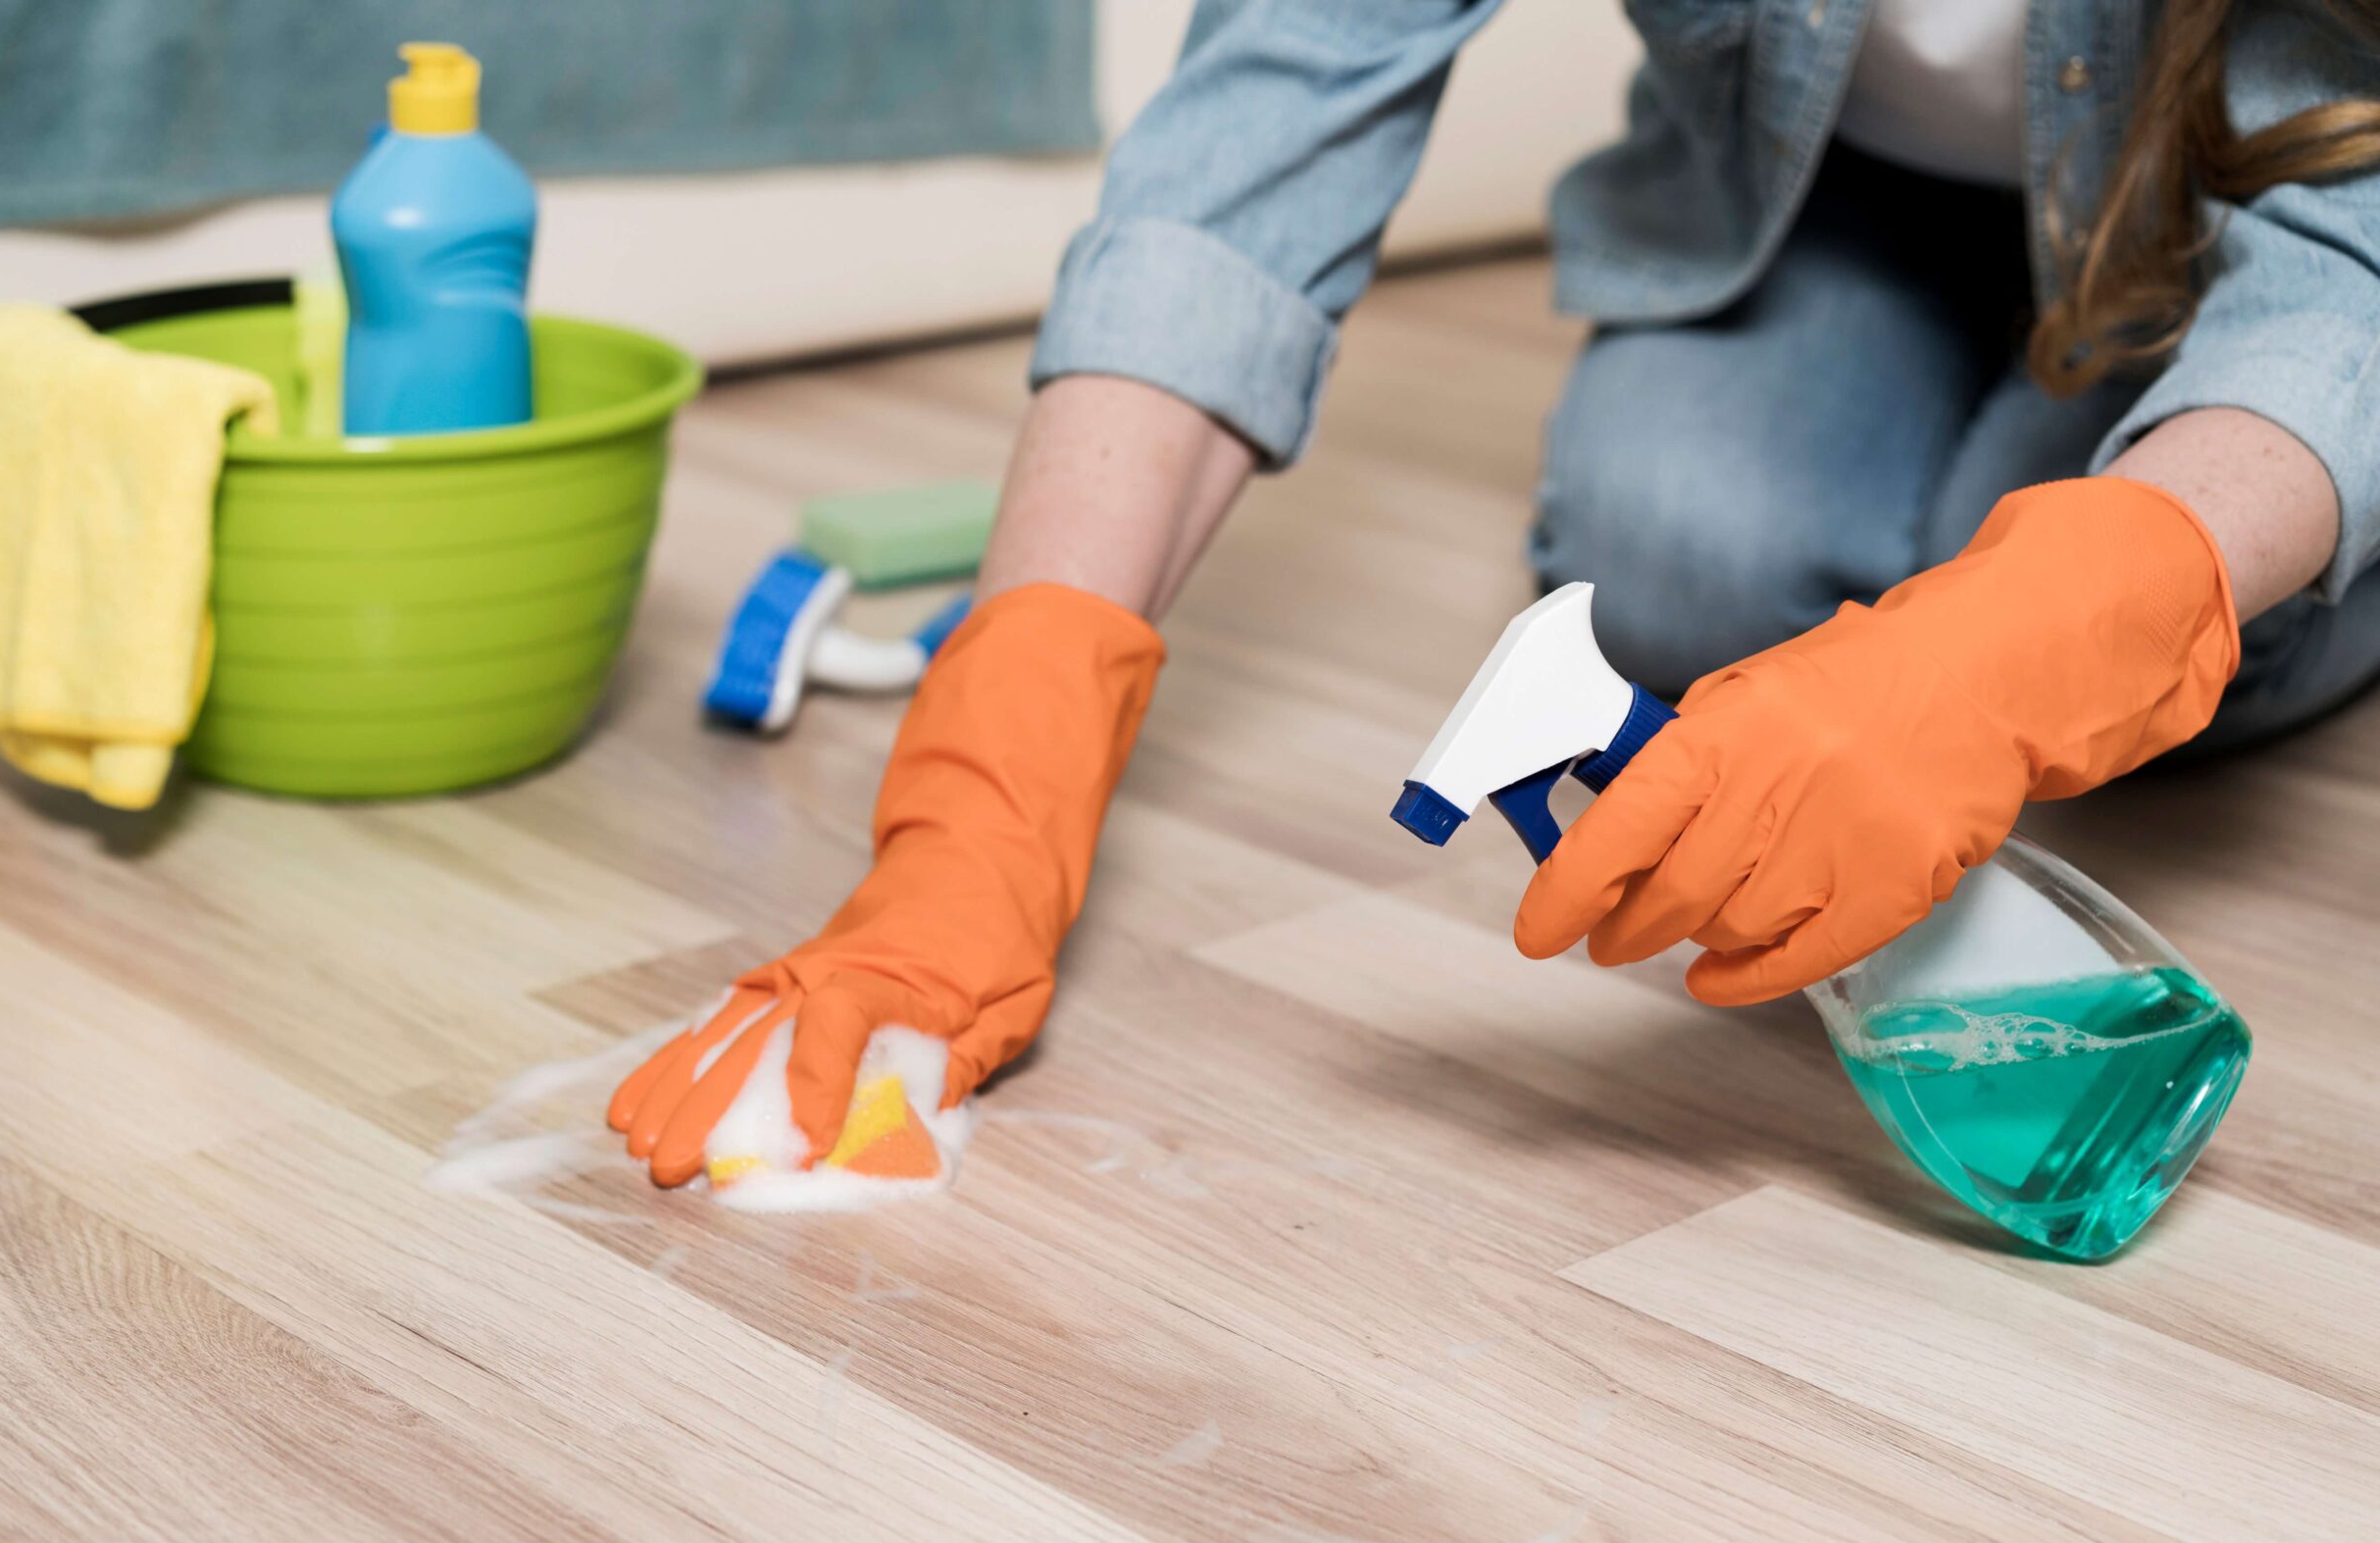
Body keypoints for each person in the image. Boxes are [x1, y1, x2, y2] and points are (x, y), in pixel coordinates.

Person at [611, 0, 2380, 1188]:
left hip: (2279, 194)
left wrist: (2101, 595)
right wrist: (994, 761)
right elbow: (1271, 114)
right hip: (1831, 202)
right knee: (1684, 549)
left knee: (2167, 610)